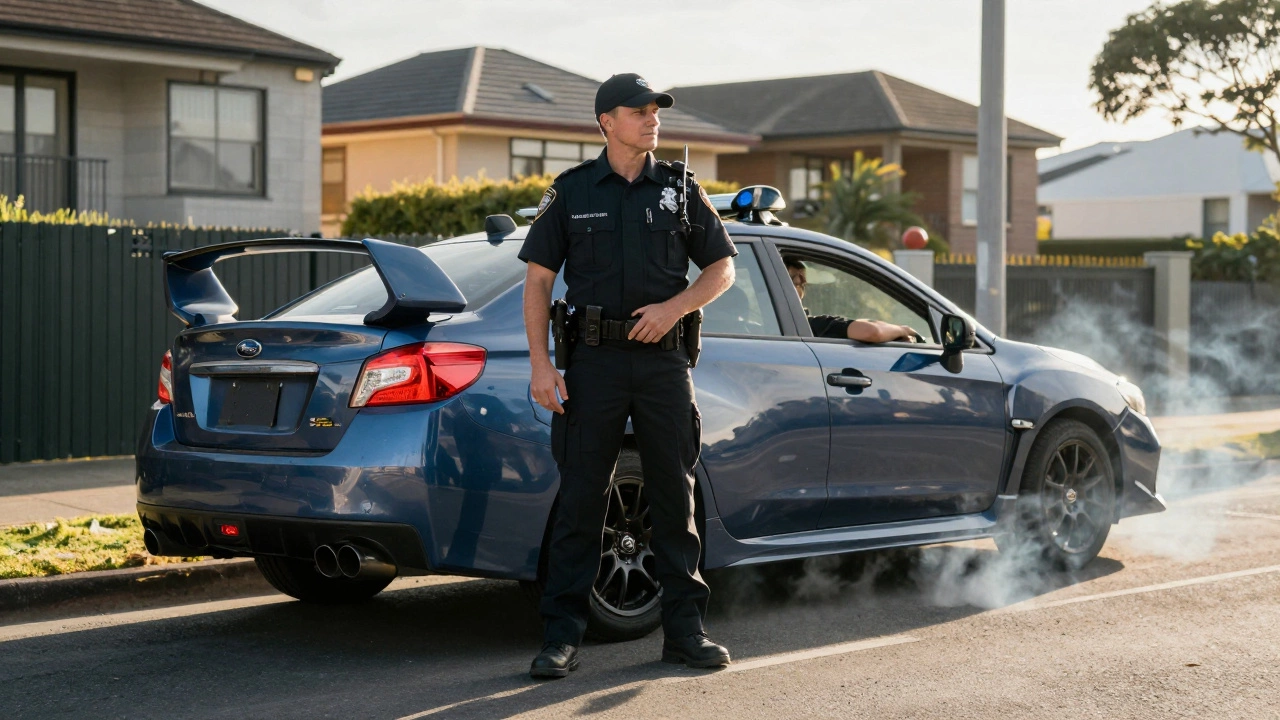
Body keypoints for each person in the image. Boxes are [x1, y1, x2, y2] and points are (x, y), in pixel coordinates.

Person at [518, 73, 737, 679]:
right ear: (606, 122)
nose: (651, 118)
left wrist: (675, 308)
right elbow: (538, 281)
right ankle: (561, 637)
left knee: (674, 496)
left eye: (655, 110)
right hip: (594, 365)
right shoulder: (571, 191)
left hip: (664, 362)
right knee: (581, 501)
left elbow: (722, 267)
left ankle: (685, 633)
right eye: (638, 111)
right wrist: (541, 364)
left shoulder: (680, 189)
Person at [783, 256, 921, 342]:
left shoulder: (779, 328)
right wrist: (903, 330)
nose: (803, 281)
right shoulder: (812, 326)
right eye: (797, 280)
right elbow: (872, 332)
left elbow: (868, 326)